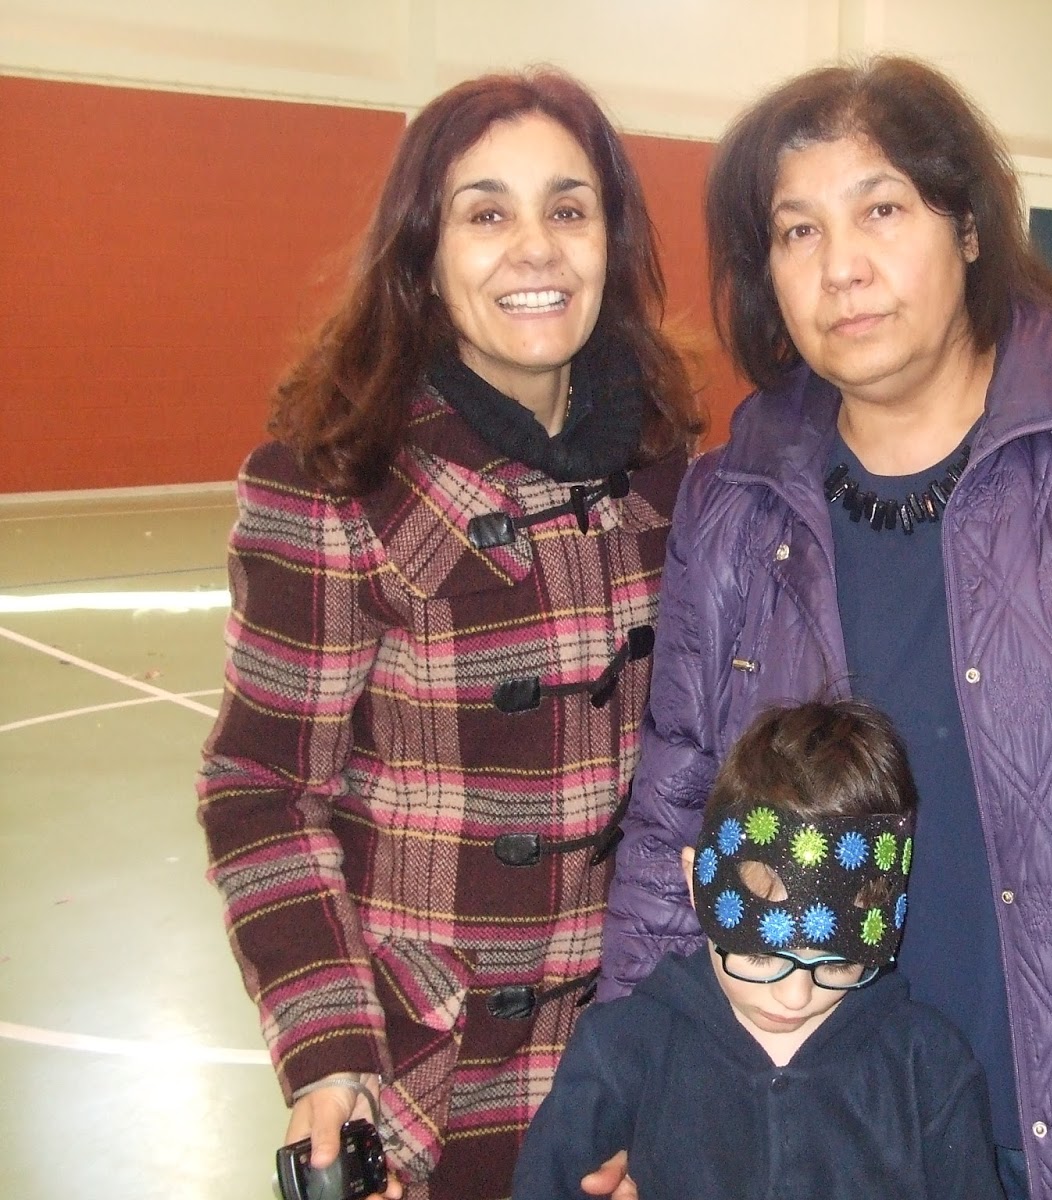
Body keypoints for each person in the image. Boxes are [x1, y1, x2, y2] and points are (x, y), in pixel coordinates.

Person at [599, 56, 1052, 1200]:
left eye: (881, 211)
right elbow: (676, 810)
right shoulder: (735, 497)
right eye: (797, 232)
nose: (841, 267)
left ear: (965, 228)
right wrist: (633, 1070)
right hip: (814, 1130)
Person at [197, 68, 700, 1200]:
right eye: (486, 214)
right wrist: (328, 1051)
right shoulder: (333, 483)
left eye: (568, 209)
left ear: (611, 242)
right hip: (420, 1079)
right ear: (425, 254)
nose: (536, 248)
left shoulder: (669, 468)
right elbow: (261, 789)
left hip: (620, 1076)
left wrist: (683, 1054)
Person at [512, 700, 1005, 1199]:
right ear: (696, 882)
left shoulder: (928, 1066)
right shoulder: (622, 1049)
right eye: (762, 956)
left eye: (836, 962)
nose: (795, 996)